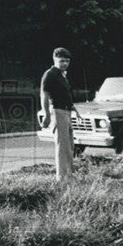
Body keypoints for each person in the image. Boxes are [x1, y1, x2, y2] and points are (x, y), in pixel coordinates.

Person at [40, 47, 75, 182]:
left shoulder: (62, 75)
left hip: (66, 112)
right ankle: (62, 178)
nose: (65, 64)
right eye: (61, 61)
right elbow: (44, 95)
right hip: (58, 112)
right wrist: (47, 115)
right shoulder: (50, 74)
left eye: (67, 61)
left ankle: (69, 175)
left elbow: (64, 95)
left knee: (69, 145)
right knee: (62, 146)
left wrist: (73, 107)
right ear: (55, 60)